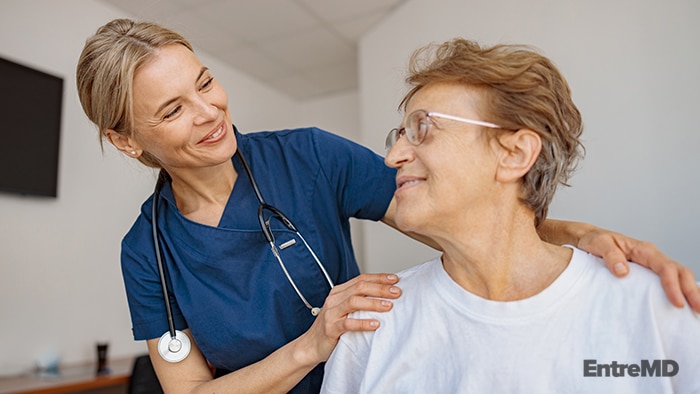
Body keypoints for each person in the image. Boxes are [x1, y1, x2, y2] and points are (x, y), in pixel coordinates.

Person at [75, 20, 699, 393]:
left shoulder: (308, 160)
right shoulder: (147, 252)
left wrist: (578, 237)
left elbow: (467, 214)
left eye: (205, 82)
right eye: (172, 109)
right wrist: (312, 346)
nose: (209, 112)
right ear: (128, 140)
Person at [321, 38, 700, 393]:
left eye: (422, 128)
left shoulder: (651, 304)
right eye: (399, 135)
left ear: (515, 154)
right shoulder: (371, 325)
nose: (393, 157)